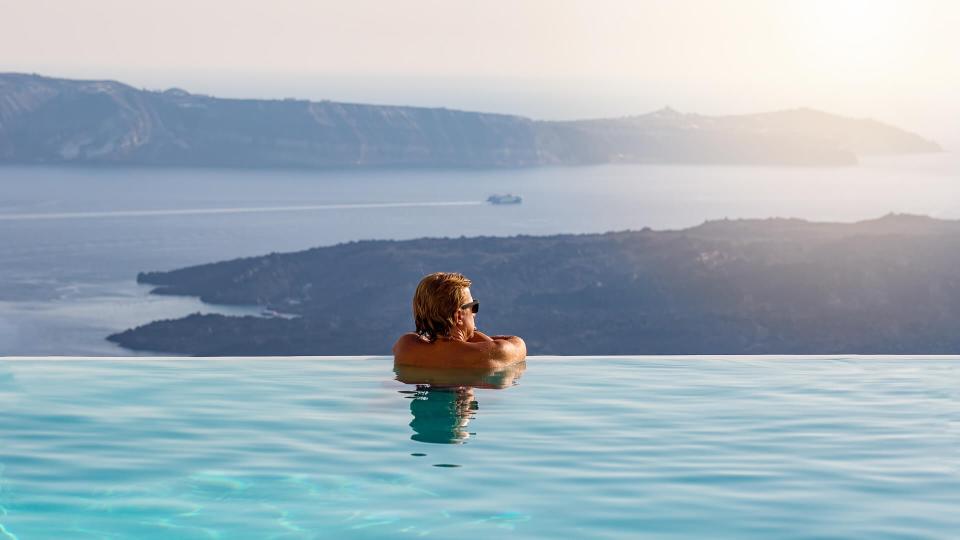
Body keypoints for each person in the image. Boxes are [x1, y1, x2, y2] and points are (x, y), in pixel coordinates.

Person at [392, 272, 526, 369]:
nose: (474, 314)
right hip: (459, 401)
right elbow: (519, 346)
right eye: (473, 307)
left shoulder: (405, 346)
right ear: (459, 316)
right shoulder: (485, 354)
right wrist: (472, 333)